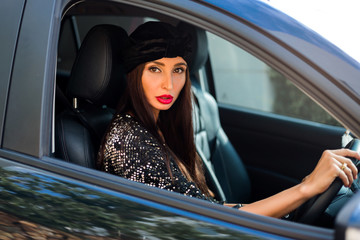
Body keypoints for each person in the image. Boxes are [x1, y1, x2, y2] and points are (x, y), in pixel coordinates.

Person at [98, 21, 359, 218]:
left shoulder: (161, 126)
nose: (169, 84)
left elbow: (204, 207)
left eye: (178, 70)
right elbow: (199, 222)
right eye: (155, 69)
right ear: (135, 74)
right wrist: (306, 190)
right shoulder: (127, 140)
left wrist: (304, 188)